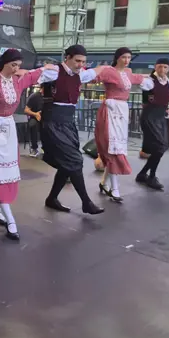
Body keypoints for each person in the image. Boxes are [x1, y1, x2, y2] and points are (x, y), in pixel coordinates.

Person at [0, 49, 57, 240]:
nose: (16, 69)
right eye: (13, 65)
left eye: (18, 65)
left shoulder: (19, 79)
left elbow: (53, 71)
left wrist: (27, 70)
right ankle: (10, 219)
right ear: (4, 63)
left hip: (8, 127)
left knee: (7, 171)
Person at [38, 44, 106, 215]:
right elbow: (28, 76)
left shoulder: (81, 74)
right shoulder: (53, 72)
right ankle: (86, 202)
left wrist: (118, 68)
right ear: (66, 58)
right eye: (77, 61)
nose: (80, 64)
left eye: (83, 62)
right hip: (52, 122)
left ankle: (52, 198)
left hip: (68, 123)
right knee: (74, 161)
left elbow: (99, 70)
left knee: (67, 163)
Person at [94, 47, 147, 202]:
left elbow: (140, 79)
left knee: (117, 147)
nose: (126, 60)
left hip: (122, 110)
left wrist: (164, 81)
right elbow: (92, 77)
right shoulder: (109, 71)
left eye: (129, 57)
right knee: (113, 148)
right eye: (123, 57)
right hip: (111, 109)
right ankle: (115, 188)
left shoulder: (128, 73)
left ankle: (105, 183)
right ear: (117, 57)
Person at [135, 58, 169, 191]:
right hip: (149, 116)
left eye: (165, 67)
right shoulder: (149, 81)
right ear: (155, 67)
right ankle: (151, 176)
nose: (162, 70)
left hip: (160, 117)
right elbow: (137, 81)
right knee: (161, 146)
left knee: (161, 147)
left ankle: (144, 174)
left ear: (168, 69)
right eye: (160, 67)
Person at [24, 89, 43, 157]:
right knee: (33, 124)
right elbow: (26, 110)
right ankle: (34, 148)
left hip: (47, 118)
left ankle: (48, 148)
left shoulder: (52, 97)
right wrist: (35, 114)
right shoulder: (35, 96)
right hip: (35, 117)